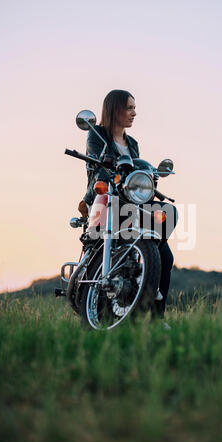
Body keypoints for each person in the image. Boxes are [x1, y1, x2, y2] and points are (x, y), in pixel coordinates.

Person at [78, 89, 177, 319]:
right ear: (116, 109)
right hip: (105, 199)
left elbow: (136, 170)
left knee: (166, 251)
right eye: (130, 107)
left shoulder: (132, 143)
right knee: (97, 245)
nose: (134, 113)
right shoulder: (97, 135)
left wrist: (150, 176)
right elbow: (101, 167)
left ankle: (156, 315)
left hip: (130, 203)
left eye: (134, 108)